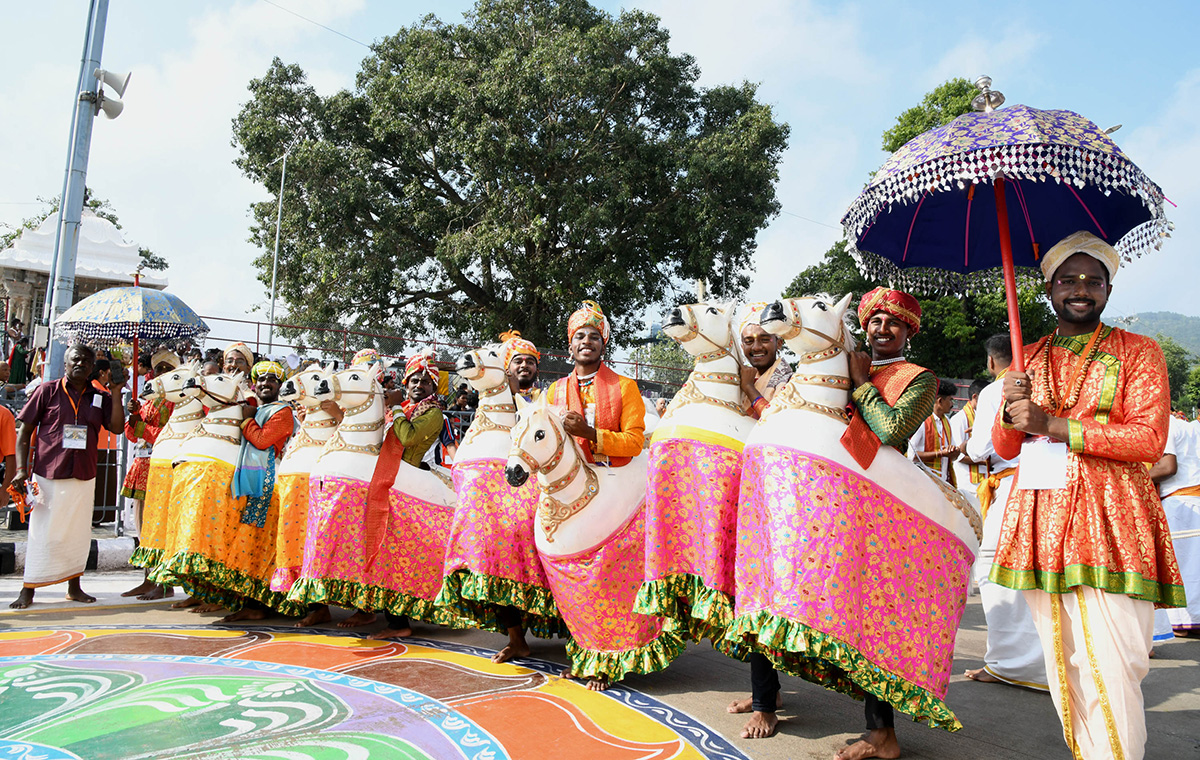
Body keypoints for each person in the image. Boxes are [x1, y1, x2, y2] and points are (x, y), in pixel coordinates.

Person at [993, 231, 1182, 760]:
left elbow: (1149, 439)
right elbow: (1004, 444)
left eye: (1093, 280)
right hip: (1041, 518)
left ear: (1107, 289)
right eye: (1068, 279)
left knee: (1116, 660)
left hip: (1113, 519)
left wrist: (1054, 424)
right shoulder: (1025, 357)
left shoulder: (1139, 352)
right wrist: (1011, 406)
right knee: (1066, 660)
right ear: (1048, 288)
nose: (1081, 289)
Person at [835, 287, 937, 760]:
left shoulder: (920, 378)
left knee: (876, 618)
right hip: (835, 503)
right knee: (844, 616)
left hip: (886, 509)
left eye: (894, 322)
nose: (882, 329)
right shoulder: (840, 365)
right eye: (876, 320)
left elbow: (893, 431)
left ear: (908, 332)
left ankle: (883, 734)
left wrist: (860, 384)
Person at [9, 344, 125, 609]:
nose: (81, 364)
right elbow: (25, 431)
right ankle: (29, 588)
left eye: (87, 361)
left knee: (77, 533)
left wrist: (116, 393)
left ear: (93, 366)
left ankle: (74, 586)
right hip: (48, 473)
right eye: (76, 359)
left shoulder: (99, 396)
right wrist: (21, 470)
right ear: (65, 363)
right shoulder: (46, 391)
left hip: (83, 475)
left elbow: (117, 427)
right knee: (42, 532)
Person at [964, 335, 1047, 690]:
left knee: (996, 572)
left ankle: (1012, 664)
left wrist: (966, 445)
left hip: (1014, 485)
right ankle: (1041, 664)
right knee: (1041, 576)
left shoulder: (996, 390)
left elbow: (981, 447)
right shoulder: (1046, 376)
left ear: (991, 363)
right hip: (1050, 484)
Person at [729, 305, 793, 739]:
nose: (756, 347)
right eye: (748, 341)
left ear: (780, 341)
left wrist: (751, 391)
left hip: (780, 497)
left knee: (766, 597)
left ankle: (767, 704)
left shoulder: (792, 378)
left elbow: (781, 421)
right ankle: (763, 693)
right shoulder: (732, 373)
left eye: (763, 339)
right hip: (743, 492)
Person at [369, 349, 448, 640]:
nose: (418, 385)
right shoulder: (403, 408)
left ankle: (400, 621)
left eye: (425, 381)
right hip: (395, 483)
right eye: (413, 380)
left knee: (404, 554)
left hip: (416, 486)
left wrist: (397, 410)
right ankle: (392, 617)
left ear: (433, 387)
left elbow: (409, 438)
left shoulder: (433, 412)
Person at [218, 360, 296, 623]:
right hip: (254, 482)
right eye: (260, 380)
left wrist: (247, 421)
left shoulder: (283, 412)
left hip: (269, 484)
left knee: (260, 544)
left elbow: (262, 441)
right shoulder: (257, 408)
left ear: (279, 385)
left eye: (271, 380)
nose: (265, 384)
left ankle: (261, 604)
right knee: (251, 543)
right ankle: (252, 603)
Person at [545, 300, 645, 466]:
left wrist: (590, 434)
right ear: (570, 348)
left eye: (594, 337)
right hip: (566, 479)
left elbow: (634, 443)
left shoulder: (625, 387)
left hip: (612, 476)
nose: (586, 341)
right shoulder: (555, 390)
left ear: (603, 348)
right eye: (579, 336)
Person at [119, 349, 180, 600]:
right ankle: (148, 578)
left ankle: (164, 582)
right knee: (142, 526)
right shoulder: (147, 400)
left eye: (168, 369)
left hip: (163, 466)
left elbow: (169, 435)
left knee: (160, 526)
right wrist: (133, 415)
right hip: (142, 466)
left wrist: (142, 426)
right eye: (159, 369)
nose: (162, 373)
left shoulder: (178, 400)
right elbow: (131, 435)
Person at [1149, 412, 1200, 638]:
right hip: (1193, 501)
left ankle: (1183, 621)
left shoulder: (1166, 424)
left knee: (1180, 566)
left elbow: (1168, 467)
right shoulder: (1193, 428)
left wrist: (1133, 478)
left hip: (1179, 503)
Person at [909, 379, 959, 484]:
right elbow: (912, 455)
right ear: (940, 401)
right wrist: (940, 453)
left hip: (943, 481)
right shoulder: (922, 421)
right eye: (950, 400)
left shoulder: (947, 422)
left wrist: (955, 452)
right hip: (924, 481)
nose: (952, 404)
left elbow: (953, 456)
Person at [949, 378, 989, 497]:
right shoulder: (959, 420)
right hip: (967, 483)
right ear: (975, 397)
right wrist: (985, 461)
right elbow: (958, 455)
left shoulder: (985, 417)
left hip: (985, 479)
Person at [501, 329, 541, 402]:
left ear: (537, 371)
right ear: (507, 370)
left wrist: (517, 393)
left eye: (530, 362)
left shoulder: (545, 397)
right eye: (518, 362)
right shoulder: (497, 397)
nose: (524, 365)